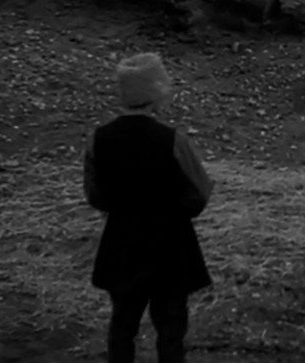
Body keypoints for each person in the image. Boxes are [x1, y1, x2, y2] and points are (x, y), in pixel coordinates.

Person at [84, 52, 214, 363]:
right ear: (154, 93)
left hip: (122, 244)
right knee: (171, 330)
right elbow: (199, 193)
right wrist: (175, 213)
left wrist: (121, 211)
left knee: (122, 325)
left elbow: (95, 194)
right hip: (169, 245)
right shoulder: (173, 140)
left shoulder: (98, 138)